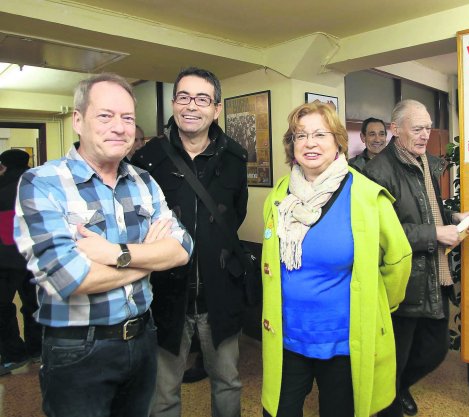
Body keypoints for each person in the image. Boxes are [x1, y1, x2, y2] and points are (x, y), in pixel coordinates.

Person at [13, 73, 193, 417]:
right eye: (105, 115)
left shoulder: (142, 180)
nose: (119, 127)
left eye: (127, 118)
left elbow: (183, 247)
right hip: (77, 349)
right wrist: (152, 260)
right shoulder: (43, 183)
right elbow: (70, 279)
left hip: (142, 338)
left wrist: (116, 254)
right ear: (78, 120)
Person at [260, 102, 413, 417]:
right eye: (300, 136)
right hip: (287, 339)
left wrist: (378, 305)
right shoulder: (279, 197)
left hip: (344, 341)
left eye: (320, 134)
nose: (310, 143)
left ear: (338, 142)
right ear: (292, 145)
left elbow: (398, 262)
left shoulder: (367, 197)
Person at [132, 66, 248, 417]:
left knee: (227, 381)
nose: (191, 106)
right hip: (167, 294)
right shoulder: (147, 159)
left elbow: (235, 216)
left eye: (202, 99)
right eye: (183, 97)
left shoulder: (234, 158)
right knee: (163, 389)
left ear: (216, 108)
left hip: (220, 291)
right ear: (173, 104)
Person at [364, 99, 469, 417]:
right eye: (417, 128)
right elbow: (380, 232)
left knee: (434, 350)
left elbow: (429, 210)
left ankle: (397, 389)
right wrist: (434, 235)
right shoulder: (377, 172)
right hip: (404, 282)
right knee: (396, 358)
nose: (425, 134)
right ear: (395, 130)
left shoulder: (427, 162)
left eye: (428, 127)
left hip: (434, 276)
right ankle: (389, 402)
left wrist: (454, 218)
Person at [0, 149, 42, 376]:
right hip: (35, 257)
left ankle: (14, 355)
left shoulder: (4, 189)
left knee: (4, 308)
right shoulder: (36, 182)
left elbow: (6, 233)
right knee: (34, 305)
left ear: (4, 165)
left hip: (8, 260)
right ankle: (37, 349)